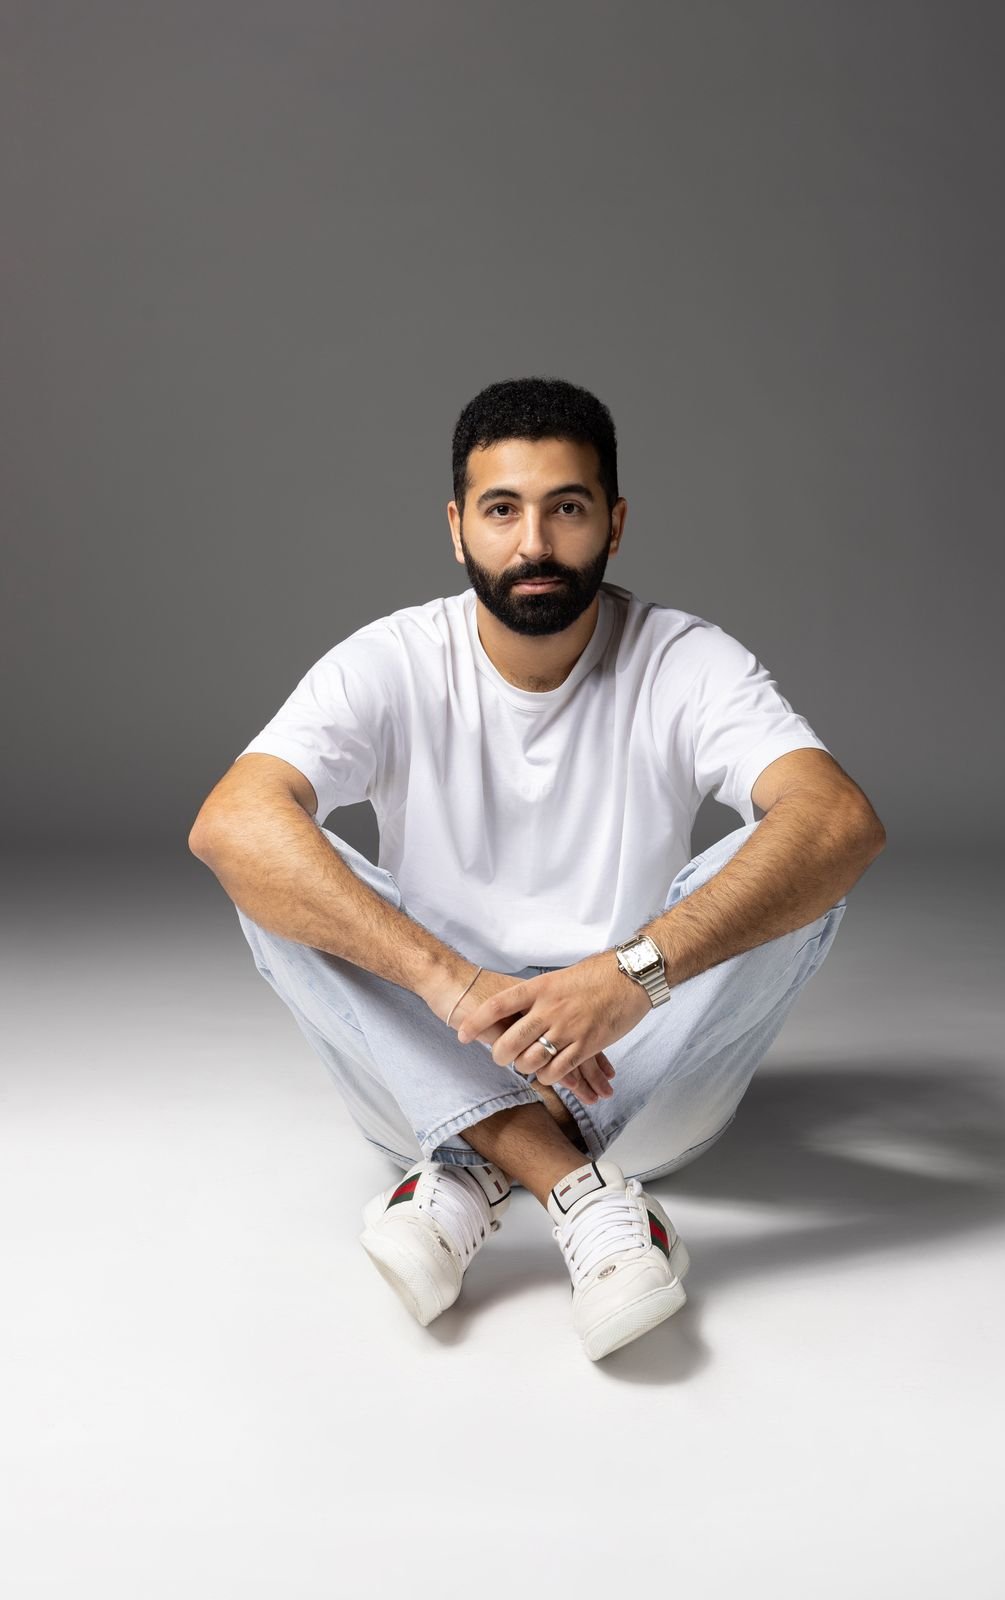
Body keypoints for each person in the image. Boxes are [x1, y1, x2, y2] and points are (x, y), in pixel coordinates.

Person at [189, 376, 886, 1360]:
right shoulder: (392, 658)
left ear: (614, 522)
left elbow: (839, 819)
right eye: (501, 510)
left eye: (566, 508)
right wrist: (454, 985)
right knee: (273, 868)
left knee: (794, 868)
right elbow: (230, 821)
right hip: (429, 1057)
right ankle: (578, 1192)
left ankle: (470, 1172)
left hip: (639, 1073)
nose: (534, 544)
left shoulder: (683, 659)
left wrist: (630, 975)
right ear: (456, 527)